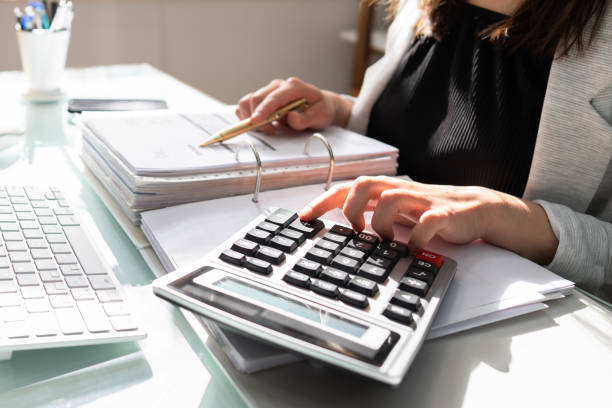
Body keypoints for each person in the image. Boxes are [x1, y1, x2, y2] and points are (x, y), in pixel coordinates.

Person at [235, 0, 611, 299]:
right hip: (373, 274)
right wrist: (336, 109)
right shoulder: (420, 6)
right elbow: (425, 135)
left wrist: (500, 213)